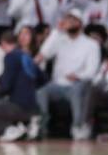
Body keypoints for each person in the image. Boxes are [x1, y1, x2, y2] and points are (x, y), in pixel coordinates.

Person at [34, 8, 101, 140]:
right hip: (58, 85)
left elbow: (92, 71)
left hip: (77, 84)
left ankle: (78, 127)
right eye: (67, 19)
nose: (69, 22)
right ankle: (41, 127)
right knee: (41, 92)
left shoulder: (91, 44)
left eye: (73, 20)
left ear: (80, 24)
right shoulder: (60, 39)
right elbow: (44, 53)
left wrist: (77, 76)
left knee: (77, 89)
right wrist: (56, 31)